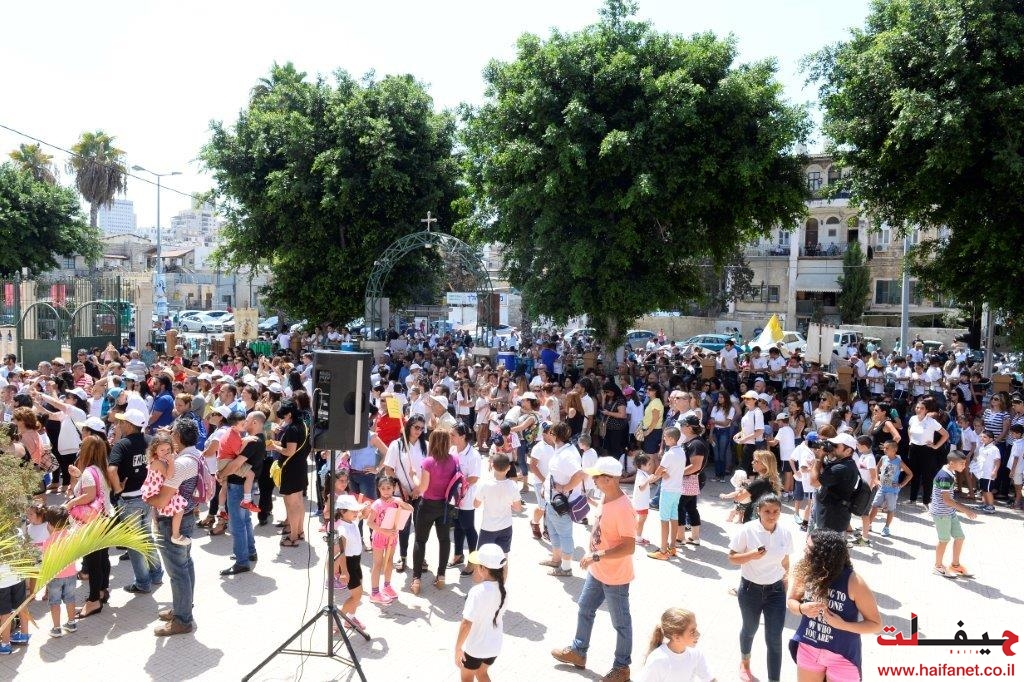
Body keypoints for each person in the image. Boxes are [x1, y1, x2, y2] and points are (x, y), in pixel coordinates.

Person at [551, 457, 636, 682]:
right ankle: (579, 652)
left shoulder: (624, 508)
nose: (593, 480)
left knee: (621, 624)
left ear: (609, 479)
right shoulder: (606, 497)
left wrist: (596, 555)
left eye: (596, 477)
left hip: (615, 576)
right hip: (597, 570)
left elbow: (629, 547)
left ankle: (622, 668)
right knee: (585, 608)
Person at [787, 529, 882, 681]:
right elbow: (791, 601)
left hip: (842, 656)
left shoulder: (854, 581)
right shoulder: (805, 569)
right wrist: (801, 608)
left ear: (824, 554)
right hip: (808, 649)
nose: (805, 550)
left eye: (809, 548)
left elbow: (876, 625)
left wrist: (842, 625)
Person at [147, 417, 203, 636]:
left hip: (172, 521)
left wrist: (147, 498)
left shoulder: (180, 463)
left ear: (177, 436)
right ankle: (183, 608)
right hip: (185, 516)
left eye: (172, 433)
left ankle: (182, 619)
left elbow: (162, 500)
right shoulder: (195, 455)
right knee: (185, 565)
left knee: (177, 571)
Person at [729, 494, 792, 682]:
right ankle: (745, 663)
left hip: (776, 592)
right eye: (767, 511)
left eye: (776, 511)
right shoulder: (747, 530)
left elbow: (786, 561)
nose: (772, 515)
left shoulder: (785, 533)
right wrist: (751, 555)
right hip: (750, 590)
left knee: (774, 638)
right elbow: (731, 557)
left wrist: (786, 581)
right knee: (750, 629)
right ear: (758, 511)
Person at [110, 407, 165, 595]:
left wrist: (117, 489)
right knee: (147, 536)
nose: (119, 424)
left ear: (129, 424)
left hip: (129, 500)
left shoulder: (121, 445)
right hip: (148, 497)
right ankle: (156, 574)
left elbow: (111, 470)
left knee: (135, 543)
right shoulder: (151, 441)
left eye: (122, 422)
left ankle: (142, 582)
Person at [219, 411, 267, 575]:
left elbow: (235, 464)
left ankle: (241, 561)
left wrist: (221, 474)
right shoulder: (259, 438)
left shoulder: (253, 442)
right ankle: (249, 552)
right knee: (245, 520)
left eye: (246, 420)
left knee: (237, 524)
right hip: (245, 486)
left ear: (254, 422)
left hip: (238, 486)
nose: (244, 422)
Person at [410, 429, 458, 595]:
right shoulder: (454, 460)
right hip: (445, 506)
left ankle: (416, 579)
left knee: (420, 540)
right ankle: (441, 575)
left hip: (428, 505)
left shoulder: (428, 462)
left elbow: (422, 488)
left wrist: (413, 475)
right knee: (444, 540)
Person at [454, 543, 509, 682]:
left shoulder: (476, 592)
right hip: (494, 646)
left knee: (467, 678)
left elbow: (466, 624)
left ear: (483, 568)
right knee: (482, 673)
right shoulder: (504, 590)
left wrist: (458, 648)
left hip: (476, 649)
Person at [383, 415, 426, 572]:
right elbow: (388, 469)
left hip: (420, 493)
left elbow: (428, 471)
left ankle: (420, 557)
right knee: (404, 527)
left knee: (421, 527)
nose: (419, 431)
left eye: (422, 428)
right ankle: (403, 557)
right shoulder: (396, 445)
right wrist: (401, 487)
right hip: (402, 494)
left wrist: (419, 488)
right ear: (409, 426)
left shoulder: (425, 446)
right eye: (416, 427)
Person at [541, 422, 584, 576]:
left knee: (565, 535)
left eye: (550, 433)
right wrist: (545, 487)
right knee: (553, 533)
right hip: (553, 501)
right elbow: (554, 472)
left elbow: (580, 474)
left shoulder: (567, 455)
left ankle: (566, 568)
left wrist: (564, 488)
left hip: (561, 504)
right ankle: (556, 560)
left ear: (554, 435)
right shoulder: (563, 449)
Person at [931, 451, 979, 578]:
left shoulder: (949, 472)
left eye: (965, 463)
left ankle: (955, 565)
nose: (964, 466)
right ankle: (938, 566)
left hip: (949, 511)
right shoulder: (945, 476)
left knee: (960, 537)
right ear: (952, 463)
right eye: (962, 463)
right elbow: (947, 500)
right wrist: (966, 510)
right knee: (944, 540)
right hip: (942, 513)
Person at [269, 399, 310, 547]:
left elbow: (289, 451)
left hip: (291, 469)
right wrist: (278, 444)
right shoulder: (302, 425)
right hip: (299, 467)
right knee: (298, 502)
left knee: (293, 505)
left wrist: (275, 447)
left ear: (290, 414)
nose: (283, 419)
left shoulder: (292, 429)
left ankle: (293, 537)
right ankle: (299, 531)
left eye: (284, 415)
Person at [635, 607, 713, 682]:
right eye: (692, 631)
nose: (698, 634)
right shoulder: (658, 660)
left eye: (696, 629)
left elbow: (709, 679)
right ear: (676, 637)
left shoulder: (696, 655)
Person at [368, 475, 412, 604]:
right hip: (380, 537)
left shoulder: (396, 501)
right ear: (379, 489)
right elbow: (370, 523)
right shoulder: (377, 504)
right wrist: (383, 531)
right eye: (383, 488)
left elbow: (411, 509)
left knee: (389, 561)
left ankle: (387, 586)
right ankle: (374, 592)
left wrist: (400, 502)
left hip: (392, 536)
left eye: (388, 488)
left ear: (394, 488)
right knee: (378, 564)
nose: (386, 491)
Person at [140, 434, 190, 546]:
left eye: (168, 449)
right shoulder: (158, 462)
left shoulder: (162, 459)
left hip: (157, 489)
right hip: (155, 491)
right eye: (162, 450)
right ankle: (175, 535)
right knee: (180, 509)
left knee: (159, 509)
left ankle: (156, 525)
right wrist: (171, 462)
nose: (166, 452)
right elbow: (169, 476)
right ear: (155, 450)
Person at [808, 433, 860, 534]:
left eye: (836, 446)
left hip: (831, 521)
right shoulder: (845, 463)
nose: (832, 447)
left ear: (848, 451)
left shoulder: (841, 468)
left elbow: (814, 482)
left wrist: (818, 458)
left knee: (825, 544)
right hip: (834, 516)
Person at [475, 452, 522, 562]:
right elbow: (518, 508)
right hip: (506, 526)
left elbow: (476, 504)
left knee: (482, 559)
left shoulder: (485, 484)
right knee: (503, 559)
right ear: (509, 467)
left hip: (488, 527)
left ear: (492, 465)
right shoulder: (513, 485)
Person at [41, 506, 79, 638]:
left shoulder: (48, 541)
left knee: (55, 602)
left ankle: (56, 628)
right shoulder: (72, 536)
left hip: (55, 577)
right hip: (71, 574)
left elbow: (46, 563)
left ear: (50, 524)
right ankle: (71, 623)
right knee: (70, 599)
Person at [334, 494, 369, 632]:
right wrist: (344, 572)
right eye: (352, 510)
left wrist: (365, 507)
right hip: (348, 564)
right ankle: (336, 621)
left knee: (358, 594)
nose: (356, 512)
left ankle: (350, 618)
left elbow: (362, 514)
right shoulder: (342, 529)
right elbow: (341, 553)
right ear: (342, 512)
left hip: (356, 562)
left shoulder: (351, 521)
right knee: (356, 595)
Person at [450, 424, 481, 569]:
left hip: (467, 498)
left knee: (468, 527)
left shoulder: (473, 455)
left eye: (453, 435)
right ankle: (458, 555)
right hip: (453, 497)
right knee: (457, 525)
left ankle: (473, 561)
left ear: (463, 437)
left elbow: (474, 478)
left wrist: (458, 482)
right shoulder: (452, 450)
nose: (450, 437)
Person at [867, 440, 913, 538]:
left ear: (894, 450)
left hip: (892, 491)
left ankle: (886, 527)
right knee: (874, 505)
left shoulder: (899, 462)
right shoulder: (883, 458)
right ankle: (868, 524)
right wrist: (876, 479)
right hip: (882, 488)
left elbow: (910, 474)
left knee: (890, 509)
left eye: (887, 448)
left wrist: (901, 485)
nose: (884, 449)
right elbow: (876, 468)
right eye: (884, 447)